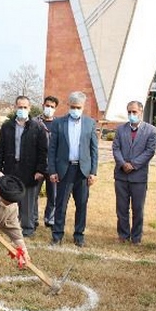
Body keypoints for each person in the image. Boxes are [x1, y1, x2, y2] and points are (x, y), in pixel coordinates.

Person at [48, 91, 98, 247]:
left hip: (82, 171)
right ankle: (57, 235)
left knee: (81, 205)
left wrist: (93, 172)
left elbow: (93, 150)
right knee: (61, 204)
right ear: (68, 106)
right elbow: (52, 149)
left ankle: (79, 235)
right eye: (73, 107)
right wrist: (52, 170)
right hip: (65, 169)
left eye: (79, 107)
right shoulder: (58, 123)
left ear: (83, 107)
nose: (75, 110)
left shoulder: (90, 123)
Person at [0, 95, 47, 238]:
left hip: (29, 170)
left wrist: (40, 170)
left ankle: (28, 228)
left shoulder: (37, 127)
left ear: (29, 108)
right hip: (11, 168)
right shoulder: (7, 127)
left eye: (25, 107)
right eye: (20, 107)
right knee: (10, 200)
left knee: (28, 201)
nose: (22, 109)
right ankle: (10, 226)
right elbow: (1, 150)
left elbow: (43, 151)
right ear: (15, 107)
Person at [111, 100, 156, 244]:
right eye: (129, 112)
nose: (131, 115)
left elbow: (150, 151)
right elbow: (116, 148)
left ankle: (136, 237)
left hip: (139, 176)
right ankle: (123, 235)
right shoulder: (120, 129)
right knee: (121, 208)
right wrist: (123, 163)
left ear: (141, 112)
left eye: (134, 112)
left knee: (138, 208)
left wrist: (134, 164)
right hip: (121, 175)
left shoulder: (151, 130)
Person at [32, 95, 59, 229]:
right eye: (47, 105)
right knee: (33, 194)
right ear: (43, 105)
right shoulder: (34, 122)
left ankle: (50, 219)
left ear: (55, 109)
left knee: (53, 195)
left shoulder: (59, 124)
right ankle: (33, 219)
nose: (49, 108)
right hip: (37, 165)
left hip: (53, 165)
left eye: (52, 107)